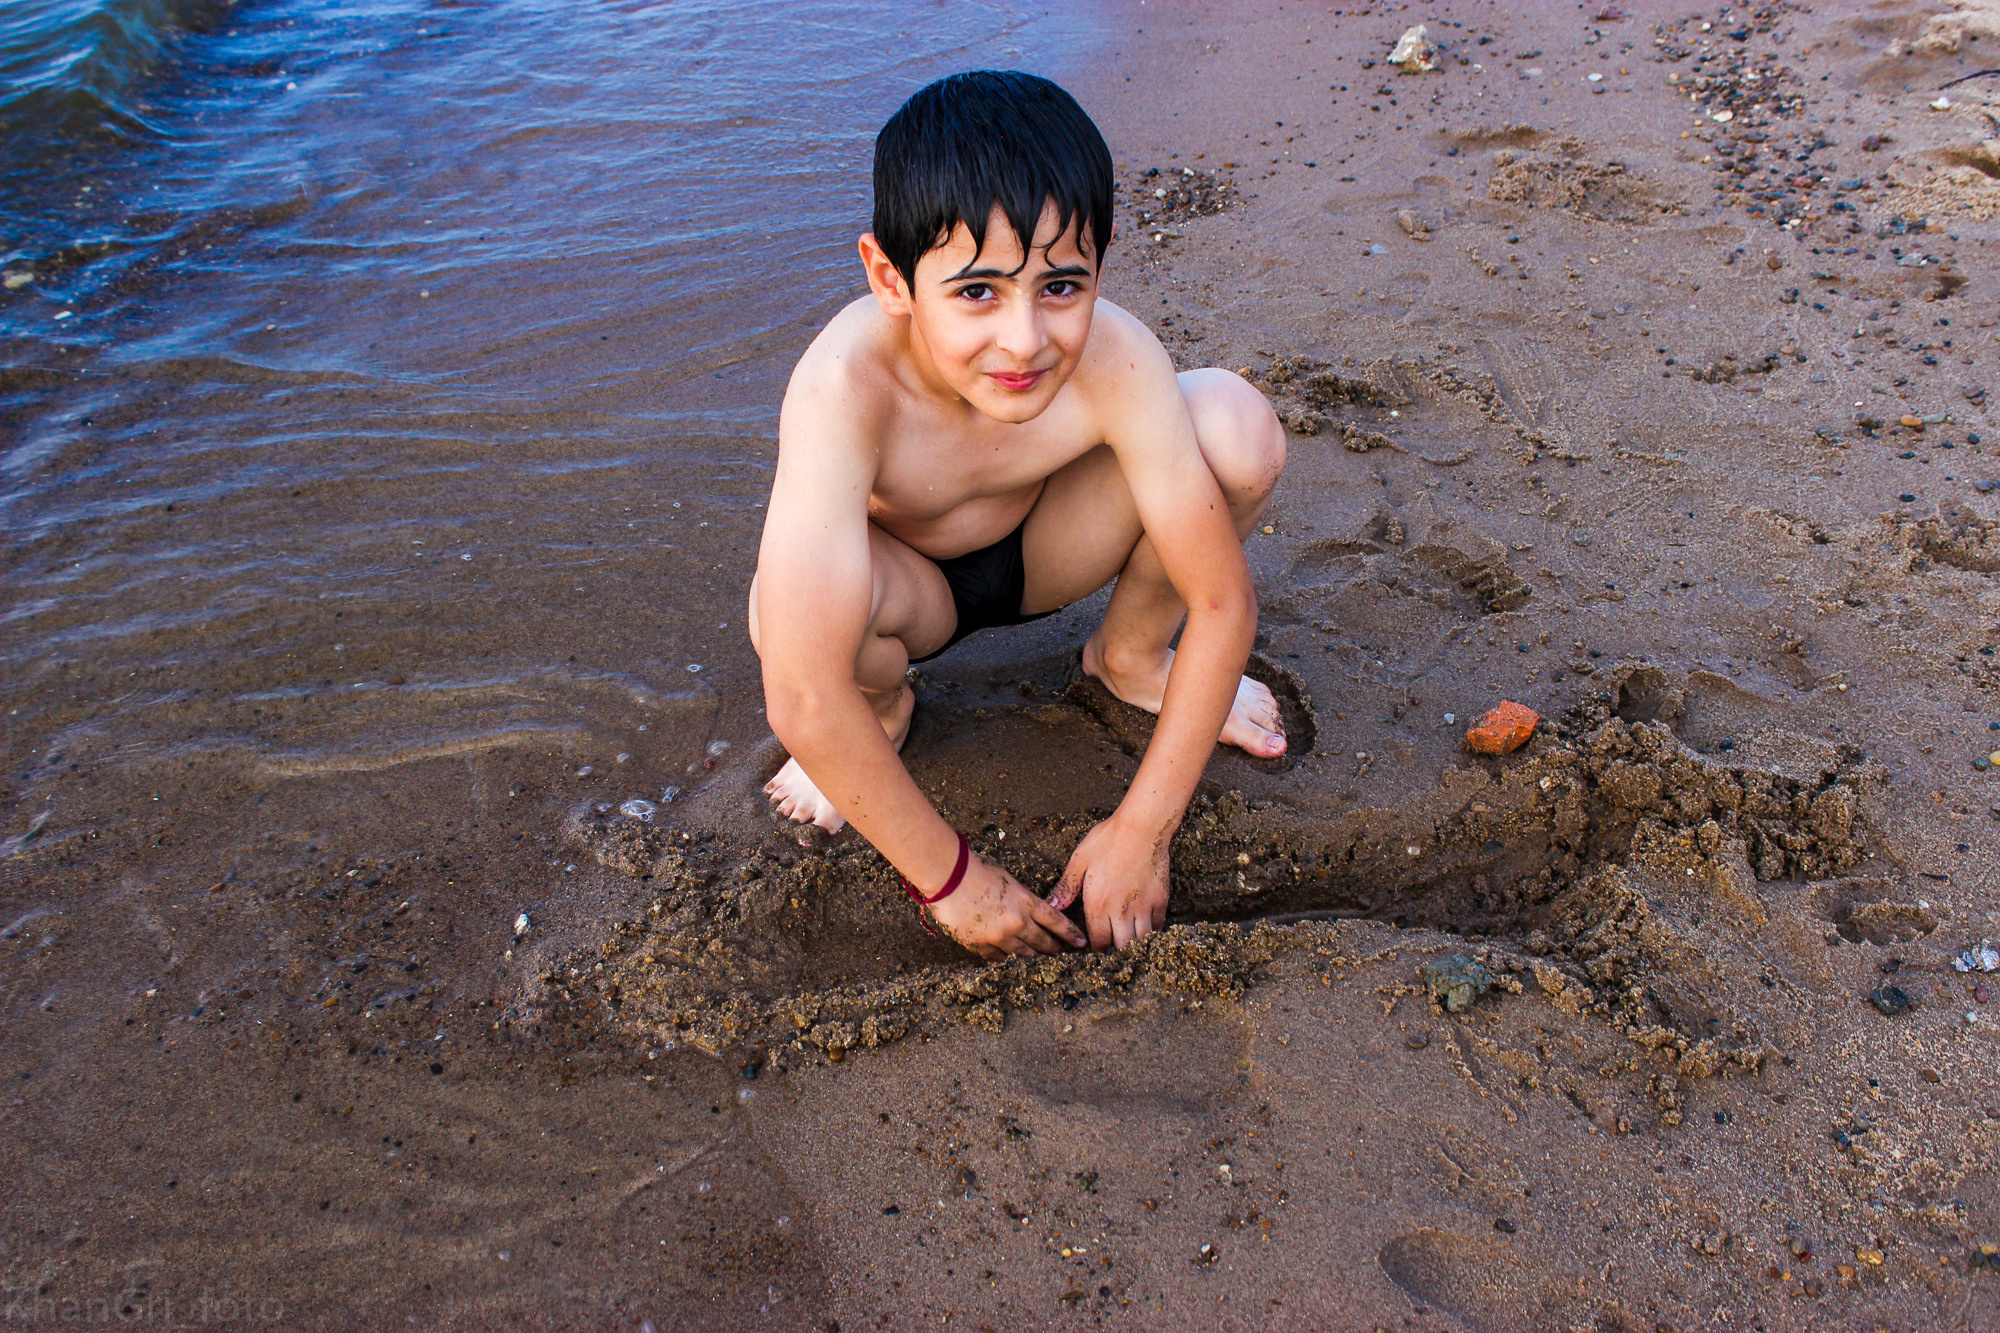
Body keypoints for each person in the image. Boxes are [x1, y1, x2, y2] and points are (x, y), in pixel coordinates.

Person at [747, 70, 1286, 960]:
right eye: (977, 292)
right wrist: (954, 882)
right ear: (890, 278)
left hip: (1050, 546)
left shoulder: (1116, 359)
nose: (1026, 340)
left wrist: (1144, 829)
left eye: (1062, 286)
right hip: (910, 591)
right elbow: (800, 688)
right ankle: (880, 715)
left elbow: (1223, 601)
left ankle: (1132, 653)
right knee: (786, 615)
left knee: (1237, 426)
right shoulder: (845, 386)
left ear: (1102, 261)